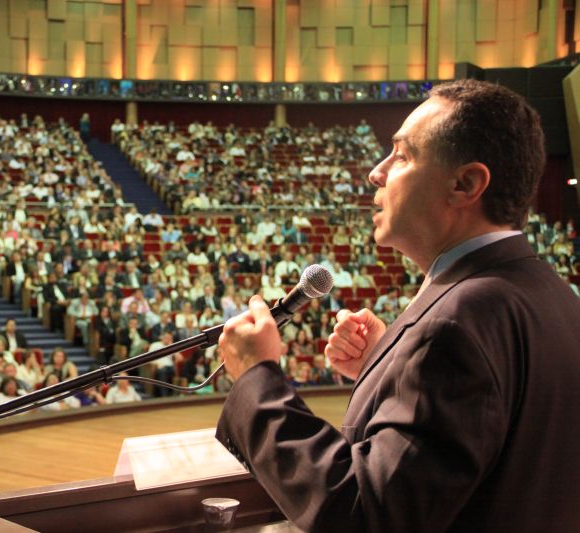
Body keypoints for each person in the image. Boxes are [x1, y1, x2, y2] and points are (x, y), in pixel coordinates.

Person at [213, 80, 580, 532]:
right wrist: (392, 366)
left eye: (402, 156)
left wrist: (255, 378)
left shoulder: (455, 324)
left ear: (465, 183)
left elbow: (366, 514)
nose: (376, 172)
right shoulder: (554, 295)